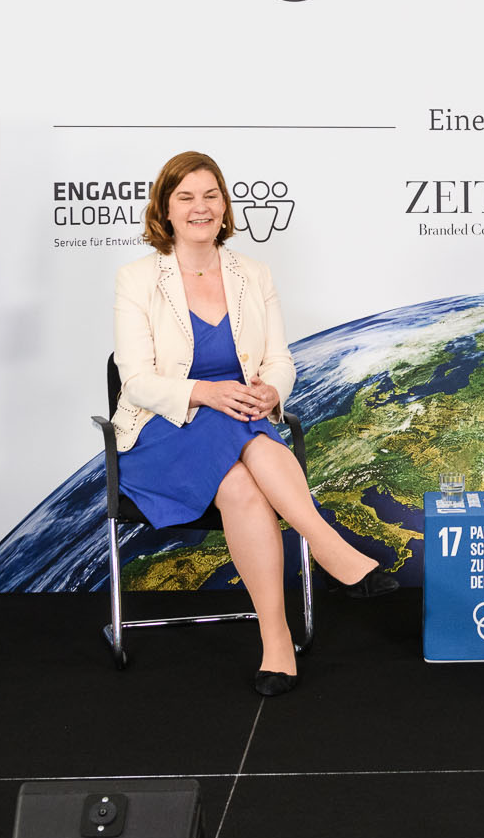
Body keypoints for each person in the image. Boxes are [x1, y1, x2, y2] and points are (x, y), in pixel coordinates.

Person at [112, 150, 395, 696]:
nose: (201, 207)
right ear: (165, 209)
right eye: (186, 197)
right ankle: (332, 550)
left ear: (224, 204)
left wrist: (271, 389)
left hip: (240, 423)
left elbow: (279, 360)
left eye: (211, 195)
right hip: (163, 430)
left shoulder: (253, 274)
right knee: (238, 425)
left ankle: (277, 643)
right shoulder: (138, 278)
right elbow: (137, 380)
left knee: (242, 485)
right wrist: (208, 393)